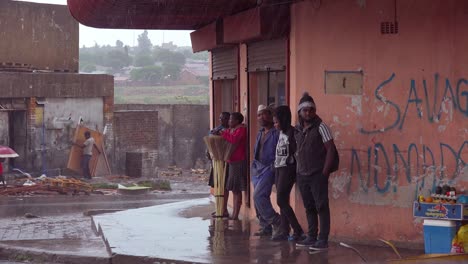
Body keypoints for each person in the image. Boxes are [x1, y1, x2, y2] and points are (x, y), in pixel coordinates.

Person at [294, 92, 337, 250]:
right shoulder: (297, 129)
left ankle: (323, 239)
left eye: (311, 110)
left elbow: (330, 149)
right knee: (309, 206)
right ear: (300, 112)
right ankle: (311, 236)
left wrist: (324, 173)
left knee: (322, 206)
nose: (308, 113)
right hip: (302, 175)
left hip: (317, 174)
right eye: (305, 110)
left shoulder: (321, 127)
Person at [271, 105, 305, 241]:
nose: (275, 125)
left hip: (288, 169)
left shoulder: (293, 132)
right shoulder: (281, 133)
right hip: (279, 168)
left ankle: (298, 230)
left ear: (284, 120)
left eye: (277, 122)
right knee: (283, 200)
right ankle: (285, 230)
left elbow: (297, 153)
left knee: (280, 200)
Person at [251, 104, 281, 236]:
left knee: (259, 196)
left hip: (269, 168)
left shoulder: (276, 133)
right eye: (258, 115)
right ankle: (265, 226)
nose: (261, 117)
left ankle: (276, 221)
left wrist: (274, 166)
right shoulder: (260, 133)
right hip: (257, 168)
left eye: (264, 114)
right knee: (258, 199)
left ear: (270, 115)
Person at [219, 112, 247, 220]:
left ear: (237, 121)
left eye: (231, 119)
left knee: (236, 189)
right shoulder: (232, 130)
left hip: (238, 162)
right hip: (232, 161)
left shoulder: (241, 130)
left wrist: (224, 134)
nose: (229, 121)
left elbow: (234, 139)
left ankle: (235, 214)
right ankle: (235, 214)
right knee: (234, 189)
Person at [208, 112, 230, 218]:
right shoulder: (216, 130)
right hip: (217, 161)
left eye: (225, 118)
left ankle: (224, 209)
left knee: (225, 186)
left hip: (226, 161)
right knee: (217, 185)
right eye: (220, 118)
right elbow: (210, 142)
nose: (222, 120)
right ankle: (219, 208)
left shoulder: (230, 131)